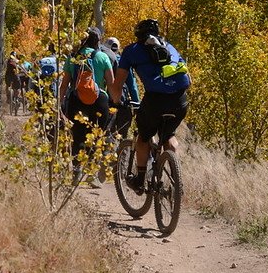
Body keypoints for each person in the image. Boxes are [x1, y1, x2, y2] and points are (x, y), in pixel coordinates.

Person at [110, 19, 190, 192]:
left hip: (155, 100)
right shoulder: (169, 46)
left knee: (143, 137)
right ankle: (176, 180)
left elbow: (118, 83)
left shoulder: (132, 51)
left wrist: (116, 100)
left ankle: (139, 179)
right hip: (180, 99)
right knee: (169, 135)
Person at [58, 27, 114, 187]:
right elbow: (111, 83)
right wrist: (115, 102)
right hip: (100, 100)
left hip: (77, 100)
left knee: (78, 136)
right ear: (98, 41)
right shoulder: (103, 57)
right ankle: (92, 175)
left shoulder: (73, 58)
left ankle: (77, 172)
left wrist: (60, 104)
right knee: (97, 136)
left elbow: (64, 85)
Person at [103, 36, 140, 138]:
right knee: (122, 136)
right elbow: (132, 85)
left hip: (106, 103)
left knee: (105, 135)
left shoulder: (102, 58)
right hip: (123, 103)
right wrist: (137, 103)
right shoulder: (123, 61)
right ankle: (122, 152)